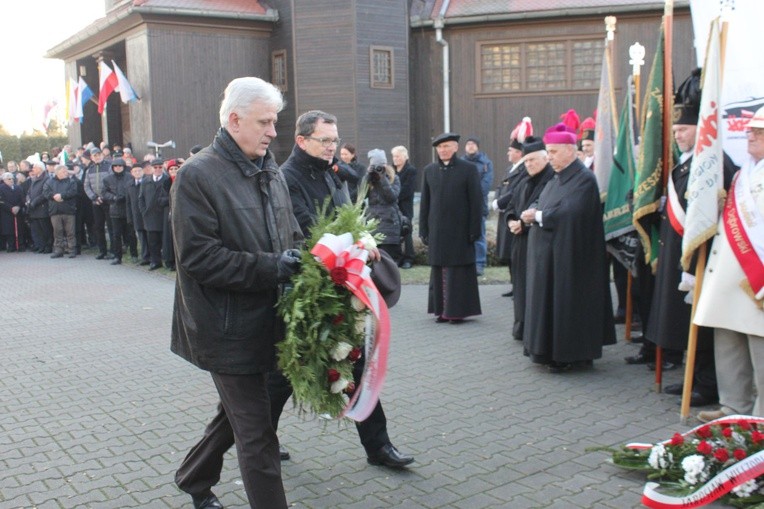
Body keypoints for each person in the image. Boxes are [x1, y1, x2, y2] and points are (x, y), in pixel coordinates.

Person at [171, 76, 301, 509]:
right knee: (257, 434)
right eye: (265, 122)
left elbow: (291, 235)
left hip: (272, 320)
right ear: (234, 119)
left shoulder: (269, 169)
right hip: (226, 330)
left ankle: (192, 478)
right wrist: (272, 268)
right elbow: (199, 257)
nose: (273, 132)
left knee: (237, 417)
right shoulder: (196, 175)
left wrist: (320, 261)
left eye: (275, 122)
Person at [273, 109, 414, 469]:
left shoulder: (332, 173)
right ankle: (261, 439)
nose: (332, 147)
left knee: (357, 363)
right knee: (285, 376)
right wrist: (353, 240)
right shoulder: (287, 178)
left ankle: (378, 447)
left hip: (342, 284)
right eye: (325, 140)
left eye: (335, 140)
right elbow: (307, 230)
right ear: (302, 141)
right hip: (308, 291)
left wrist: (362, 237)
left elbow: (346, 214)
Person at [631, 69, 736, 406]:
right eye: (675, 130)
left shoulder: (715, 163)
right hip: (681, 256)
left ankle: (707, 384)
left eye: (683, 130)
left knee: (704, 326)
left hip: (705, 257)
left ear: (700, 130)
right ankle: (694, 375)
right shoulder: (683, 165)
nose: (677, 136)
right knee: (689, 322)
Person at [521, 123, 615, 372]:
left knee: (568, 304)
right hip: (551, 254)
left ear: (570, 150)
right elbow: (545, 202)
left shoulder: (584, 178)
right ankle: (547, 351)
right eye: (548, 152)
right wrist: (535, 211)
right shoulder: (558, 177)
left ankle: (570, 354)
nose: (549, 157)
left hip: (573, 257)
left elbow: (571, 212)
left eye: (552, 152)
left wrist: (539, 216)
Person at [695, 105, 764, 422]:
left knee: (758, 345)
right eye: (750, 131)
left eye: (759, 132)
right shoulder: (742, 172)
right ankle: (734, 407)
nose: (750, 136)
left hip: (756, 277)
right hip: (728, 275)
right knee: (728, 341)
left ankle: (759, 416)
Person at [420, 132, 483, 323]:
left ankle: (457, 311)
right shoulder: (429, 171)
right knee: (439, 270)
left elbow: (476, 202)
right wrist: (423, 229)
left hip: (460, 231)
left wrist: (474, 230)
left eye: (447, 146)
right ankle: (440, 310)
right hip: (437, 230)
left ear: (456, 147)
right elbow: (425, 203)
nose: (443, 150)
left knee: (458, 271)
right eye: (440, 147)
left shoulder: (468, 169)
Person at [505, 136, 553, 342]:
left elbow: (542, 207)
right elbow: (511, 206)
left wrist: (522, 224)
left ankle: (533, 330)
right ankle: (521, 326)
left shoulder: (551, 181)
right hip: (519, 241)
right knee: (520, 286)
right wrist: (511, 222)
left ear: (546, 158)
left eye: (533, 160)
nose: (529, 164)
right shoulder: (524, 181)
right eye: (526, 161)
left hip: (538, 241)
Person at [493, 118, 533, 297]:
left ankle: (520, 286)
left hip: (515, 214)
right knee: (510, 254)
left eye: (511, 150)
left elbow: (516, 190)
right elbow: (502, 187)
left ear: (519, 152)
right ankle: (514, 285)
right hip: (506, 214)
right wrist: (497, 200)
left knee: (517, 255)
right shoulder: (511, 168)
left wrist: (500, 203)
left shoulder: (524, 168)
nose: (508, 153)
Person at [362, 148, 402, 261]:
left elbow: (391, 198)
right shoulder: (369, 179)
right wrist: (368, 176)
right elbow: (360, 196)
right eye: (376, 165)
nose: (379, 168)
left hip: (389, 225)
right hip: (373, 225)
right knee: (374, 266)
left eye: (381, 165)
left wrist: (382, 178)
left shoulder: (394, 178)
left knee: (390, 264)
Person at [461, 137, 493, 275]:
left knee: (479, 235)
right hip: (462, 206)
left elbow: (486, 185)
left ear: (477, 147)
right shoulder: (460, 163)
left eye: (473, 144)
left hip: (479, 206)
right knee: (462, 235)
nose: (470, 147)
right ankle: (465, 262)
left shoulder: (486, 163)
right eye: (468, 144)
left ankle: (479, 264)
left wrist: (471, 194)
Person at [83, 147, 114, 259]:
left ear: (102, 155)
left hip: (108, 201)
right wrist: (94, 197)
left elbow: (112, 183)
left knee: (111, 227)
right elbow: (86, 186)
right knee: (98, 227)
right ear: (91, 157)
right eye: (95, 155)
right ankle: (102, 251)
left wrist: (105, 196)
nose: (97, 157)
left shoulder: (109, 166)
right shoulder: (89, 170)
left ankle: (114, 251)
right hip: (96, 202)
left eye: (99, 154)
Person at [138, 159, 168, 270]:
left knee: (165, 241)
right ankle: (155, 261)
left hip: (163, 215)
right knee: (153, 241)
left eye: (160, 167)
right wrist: (144, 211)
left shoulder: (167, 180)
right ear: (151, 168)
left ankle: (168, 261)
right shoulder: (146, 181)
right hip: (150, 216)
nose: (158, 169)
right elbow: (141, 198)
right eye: (155, 167)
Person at [43, 165, 78, 258]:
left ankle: (72, 250)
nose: (66, 173)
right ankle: (58, 250)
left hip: (69, 210)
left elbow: (73, 192)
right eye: (64, 171)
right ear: (57, 172)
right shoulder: (49, 182)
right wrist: (54, 196)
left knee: (70, 231)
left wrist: (62, 195)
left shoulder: (71, 181)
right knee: (57, 232)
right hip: (55, 210)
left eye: (66, 171)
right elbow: (45, 192)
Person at [391, 145, 417, 269]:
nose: (395, 159)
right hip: (393, 207)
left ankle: (409, 258)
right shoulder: (391, 170)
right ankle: (397, 257)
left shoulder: (411, 170)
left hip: (405, 206)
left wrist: (393, 196)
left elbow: (408, 189)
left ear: (404, 157)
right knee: (395, 233)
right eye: (394, 156)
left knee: (407, 233)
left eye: (397, 156)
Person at [102, 158, 131, 265]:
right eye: (115, 166)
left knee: (130, 233)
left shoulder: (129, 177)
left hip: (128, 209)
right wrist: (114, 198)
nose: (118, 168)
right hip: (115, 209)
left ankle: (134, 254)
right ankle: (117, 256)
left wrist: (126, 197)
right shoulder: (108, 179)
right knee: (116, 234)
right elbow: (104, 192)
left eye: (120, 166)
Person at [26, 161, 53, 254]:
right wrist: (28, 200)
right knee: (38, 230)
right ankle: (42, 246)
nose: (33, 169)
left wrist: (34, 202)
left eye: (35, 167)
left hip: (42, 208)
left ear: (40, 168)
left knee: (46, 229)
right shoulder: (34, 179)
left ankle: (48, 246)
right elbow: (29, 192)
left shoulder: (46, 178)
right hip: (34, 209)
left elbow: (44, 194)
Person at [126, 163, 150, 265]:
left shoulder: (148, 182)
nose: (137, 173)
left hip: (147, 215)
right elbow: (128, 203)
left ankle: (153, 257)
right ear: (131, 173)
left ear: (143, 171)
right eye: (135, 171)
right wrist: (129, 217)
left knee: (150, 237)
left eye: (139, 170)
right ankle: (145, 257)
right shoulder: (129, 185)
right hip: (136, 215)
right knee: (141, 238)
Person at [0, 172, 25, 251]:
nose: (11, 180)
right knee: (9, 230)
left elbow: (22, 199)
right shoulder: (1, 188)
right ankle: (11, 246)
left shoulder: (18, 188)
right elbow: (1, 201)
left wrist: (18, 206)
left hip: (18, 211)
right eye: (9, 179)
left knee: (19, 228)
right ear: (4, 180)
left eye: (12, 178)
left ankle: (20, 245)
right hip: (6, 212)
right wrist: (11, 208)